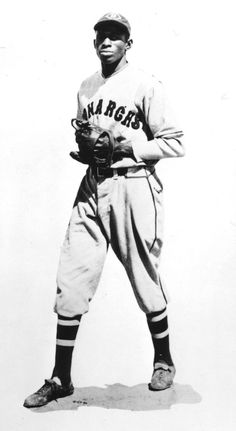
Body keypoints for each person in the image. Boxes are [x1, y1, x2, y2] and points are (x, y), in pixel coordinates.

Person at [23, 12, 185, 408]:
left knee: (145, 274)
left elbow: (175, 142)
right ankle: (61, 376)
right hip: (93, 185)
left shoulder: (146, 83)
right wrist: (86, 148)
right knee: (71, 277)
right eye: (101, 36)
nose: (106, 42)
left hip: (133, 183)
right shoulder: (86, 87)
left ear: (128, 43)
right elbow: (89, 139)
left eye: (115, 36)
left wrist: (130, 146)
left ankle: (163, 360)